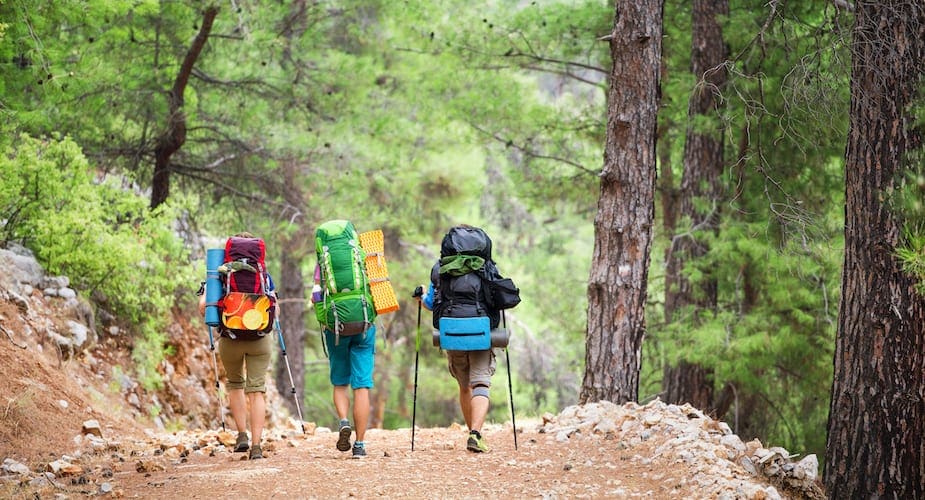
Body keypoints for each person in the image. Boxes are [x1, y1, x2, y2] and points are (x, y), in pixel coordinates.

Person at [416, 224, 500, 453]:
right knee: (481, 383)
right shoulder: (487, 267)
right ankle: (476, 433)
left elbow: (432, 304)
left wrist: (421, 296)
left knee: (465, 386)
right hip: (481, 332)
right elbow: (498, 299)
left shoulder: (440, 269)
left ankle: (470, 430)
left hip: (452, 332)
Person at [199, 231, 277, 460]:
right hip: (260, 339)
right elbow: (275, 309)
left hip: (230, 339)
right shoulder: (264, 275)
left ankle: (241, 435)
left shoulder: (220, 274)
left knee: (235, 384)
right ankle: (256, 446)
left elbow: (204, 307)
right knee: (257, 390)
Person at [312, 264, 376, 459]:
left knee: (340, 382)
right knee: (362, 385)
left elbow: (315, 294)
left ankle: (343, 421)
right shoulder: (363, 259)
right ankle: (359, 445)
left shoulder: (325, 260)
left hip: (336, 328)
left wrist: (323, 319)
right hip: (364, 325)